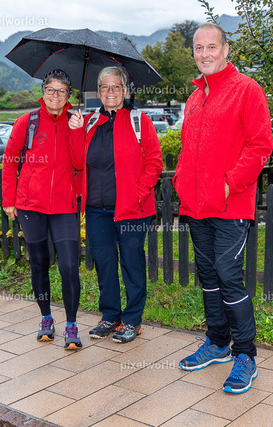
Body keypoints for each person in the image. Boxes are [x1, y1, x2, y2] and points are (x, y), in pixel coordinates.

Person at [174, 23, 273, 394]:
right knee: (208, 274)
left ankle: (245, 354)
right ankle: (217, 343)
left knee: (228, 274)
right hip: (196, 206)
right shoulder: (194, 98)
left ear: (226, 49)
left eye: (211, 46)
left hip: (232, 204)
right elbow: (187, 148)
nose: (205, 54)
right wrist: (181, 181)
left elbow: (260, 146)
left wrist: (229, 184)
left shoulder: (246, 89)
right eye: (198, 48)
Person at [68, 66, 163, 343]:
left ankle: (132, 320)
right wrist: (75, 131)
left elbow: (154, 162)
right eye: (105, 87)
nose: (110, 91)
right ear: (98, 92)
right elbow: (77, 162)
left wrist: (138, 193)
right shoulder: (88, 122)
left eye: (116, 86)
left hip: (132, 209)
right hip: (97, 209)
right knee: (105, 264)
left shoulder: (139, 121)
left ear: (125, 90)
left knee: (132, 264)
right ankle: (110, 316)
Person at [2, 69, 83, 350]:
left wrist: (76, 131)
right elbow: (10, 160)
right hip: (30, 206)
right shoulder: (28, 122)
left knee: (69, 266)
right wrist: (9, 200)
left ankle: (71, 324)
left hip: (64, 206)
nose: (56, 95)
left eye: (62, 91)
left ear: (69, 95)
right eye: (51, 90)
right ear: (43, 92)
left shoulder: (76, 122)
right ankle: (46, 318)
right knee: (39, 263)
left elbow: (80, 162)